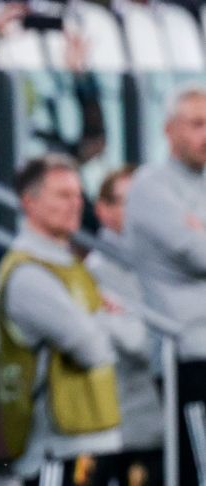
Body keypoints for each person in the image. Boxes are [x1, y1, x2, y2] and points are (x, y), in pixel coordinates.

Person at [0, 154, 130, 485]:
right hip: (57, 447)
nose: (76, 204)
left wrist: (94, 320)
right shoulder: (28, 274)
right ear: (30, 201)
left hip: (93, 437)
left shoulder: (71, 265)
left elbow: (124, 335)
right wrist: (104, 319)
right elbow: (94, 349)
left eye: (78, 194)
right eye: (63, 195)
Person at [124, 85, 206, 486]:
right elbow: (199, 255)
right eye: (196, 124)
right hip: (186, 355)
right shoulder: (149, 187)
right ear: (168, 129)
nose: (205, 135)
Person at [84, 167, 163, 485]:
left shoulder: (162, 264)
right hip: (116, 429)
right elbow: (139, 345)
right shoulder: (93, 273)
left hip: (162, 423)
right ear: (102, 210)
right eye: (128, 202)